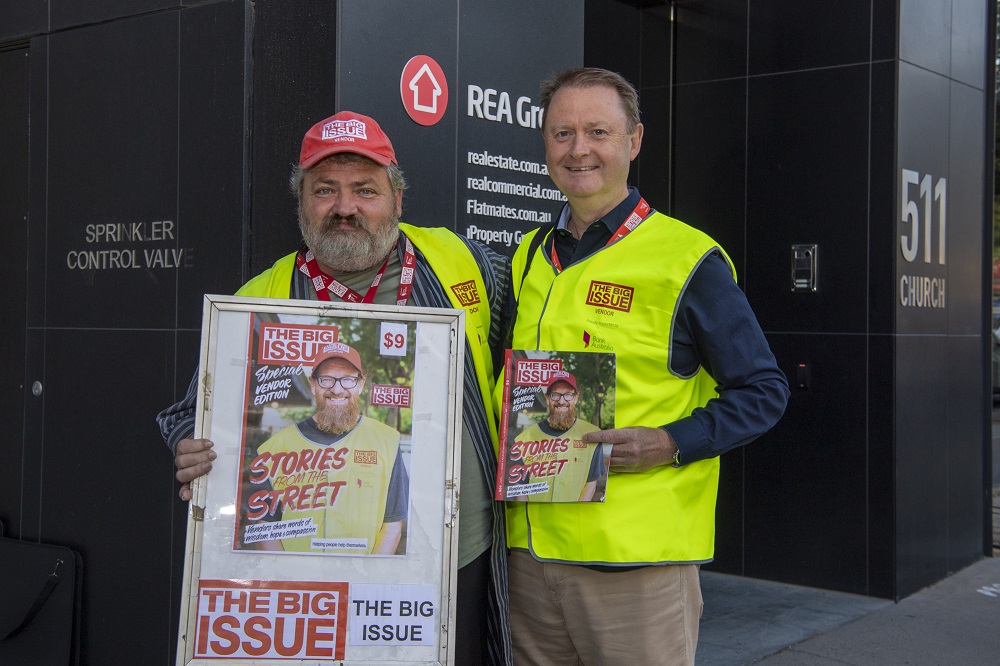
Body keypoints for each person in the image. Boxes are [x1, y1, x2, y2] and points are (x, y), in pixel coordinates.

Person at [157, 111, 513, 665]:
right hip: (306, 580)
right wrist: (191, 447)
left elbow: (522, 351)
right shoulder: (260, 298)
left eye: (365, 190)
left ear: (397, 198)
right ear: (302, 202)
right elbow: (189, 412)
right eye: (325, 190)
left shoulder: (462, 263)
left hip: (457, 558)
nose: (345, 207)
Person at [505, 67, 790, 665]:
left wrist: (669, 441)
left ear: (633, 142)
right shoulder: (529, 257)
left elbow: (764, 390)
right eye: (562, 134)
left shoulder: (687, 259)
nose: (578, 149)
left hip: (633, 566)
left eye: (597, 131)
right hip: (528, 560)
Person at [243, 342, 407, 555]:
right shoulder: (273, 450)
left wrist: (366, 581)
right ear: (313, 384)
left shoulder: (388, 442)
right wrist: (288, 579)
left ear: (360, 384)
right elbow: (264, 528)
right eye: (326, 379)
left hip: (360, 579)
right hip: (299, 582)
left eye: (348, 379)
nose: (337, 389)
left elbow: (392, 525)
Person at [511, 370, 604, 502]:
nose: (561, 401)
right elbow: (519, 487)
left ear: (576, 397)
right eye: (555, 395)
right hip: (535, 517)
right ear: (547, 398)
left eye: (568, 395)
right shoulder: (524, 439)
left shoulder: (593, 435)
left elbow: (591, 483)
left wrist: (575, 513)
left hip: (573, 517)